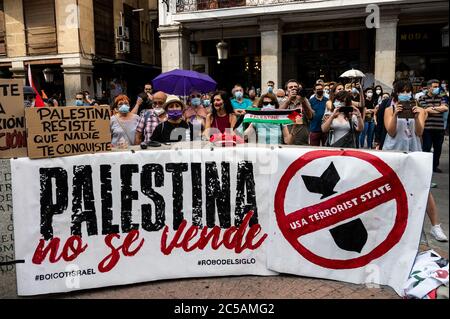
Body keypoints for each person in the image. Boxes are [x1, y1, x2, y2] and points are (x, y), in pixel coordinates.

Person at [382, 79, 448, 242]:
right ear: (396, 93)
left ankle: (435, 226)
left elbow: (419, 132)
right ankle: (386, 224)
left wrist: (419, 115)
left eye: (407, 91)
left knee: (424, 188)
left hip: (414, 151)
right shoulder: (389, 110)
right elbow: (390, 132)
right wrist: (396, 114)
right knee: (389, 188)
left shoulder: (420, 110)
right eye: (402, 91)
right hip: (394, 152)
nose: (405, 94)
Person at [419, 79, 449, 173]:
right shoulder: (422, 98)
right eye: (435, 87)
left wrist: (432, 108)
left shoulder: (442, 97)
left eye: (438, 87)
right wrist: (438, 109)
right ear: (429, 88)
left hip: (439, 128)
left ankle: (434, 166)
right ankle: (425, 167)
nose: (437, 88)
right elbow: (425, 110)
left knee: (438, 149)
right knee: (426, 148)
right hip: (427, 128)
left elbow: (445, 108)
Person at [279, 79, 314, 145]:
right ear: (286, 91)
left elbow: (310, 116)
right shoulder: (282, 101)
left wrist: (303, 101)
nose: (293, 89)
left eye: (295, 87)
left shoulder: (304, 100)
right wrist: (289, 100)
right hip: (288, 142)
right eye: (291, 87)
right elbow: (278, 115)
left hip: (303, 142)